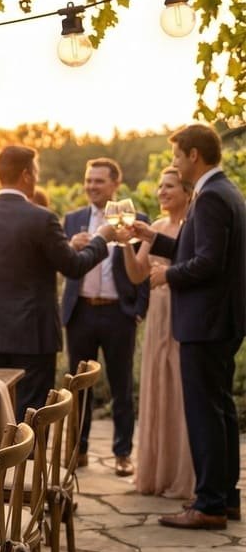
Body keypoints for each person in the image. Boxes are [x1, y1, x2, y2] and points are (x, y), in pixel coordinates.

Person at [0, 145, 115, 440]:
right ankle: (20, 482)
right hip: (34, 334)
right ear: (27, 175)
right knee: (29, 415)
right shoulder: (42, 218)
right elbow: (74, 267)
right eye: (37, 171)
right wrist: (101, 239)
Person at [130, 124, 245, 530]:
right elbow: (198, 249)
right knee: (221, 410)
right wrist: (154, 239)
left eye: (177, 156)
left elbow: (208, 262)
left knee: (204, 413)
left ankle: (209, 503)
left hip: (206, 322)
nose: (174, 164)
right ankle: (227, 498)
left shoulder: (212, 197)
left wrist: (168, 276)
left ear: (194, 156)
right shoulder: (222, 191)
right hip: (220, 320)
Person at [61, 158, 150, 477]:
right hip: (81, 311)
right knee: (78, 386)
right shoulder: (72, 220)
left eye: (99, 181)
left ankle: (123, 454)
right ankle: (77, 449)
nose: (91, 186)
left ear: (115, 184)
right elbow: (63, 262)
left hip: (118, 313)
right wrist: (71, 245)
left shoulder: (135, 219)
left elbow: (144, 266)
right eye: (88, 180)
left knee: (121, 386)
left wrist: (138, 310)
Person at [121, 167, 194, 499]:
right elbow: (137, 275)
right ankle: (155, 473)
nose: (162, 192)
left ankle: (183, 476)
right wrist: (125, 244)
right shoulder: (157, 228)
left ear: (187, 191)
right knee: (157, 387)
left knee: (180, 391)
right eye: (161, 186)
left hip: (183, 315)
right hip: (157, 317)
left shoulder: (193, 227)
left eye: (170, 186)